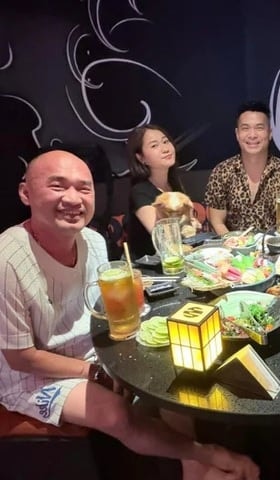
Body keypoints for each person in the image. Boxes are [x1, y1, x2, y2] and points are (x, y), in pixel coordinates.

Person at [0, 150, 259, 480]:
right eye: (57, 186)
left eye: (84, 188)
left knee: (171, 369)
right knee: (115, 413)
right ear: (26, 193)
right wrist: (96, 372)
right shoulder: (7, 260)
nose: (73, 198)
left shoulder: (94, 241)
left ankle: (192, 467)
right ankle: (208, 454)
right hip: (32, 376)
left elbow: (104, 309)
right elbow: (21, 358)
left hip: (92, 352)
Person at [205, 101, 280, 235]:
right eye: (245, 128)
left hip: (276, 245)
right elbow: (217, 221)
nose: (252, 135)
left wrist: (278, 243)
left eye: (259, 128)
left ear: (270, 133)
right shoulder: (221, 172)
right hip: (234, 245)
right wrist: (234, 243)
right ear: (237, 134)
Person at [126, 124, 188, 259]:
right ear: (141, 158)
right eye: (154, 145)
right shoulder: (140, 191)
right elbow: (163, 239)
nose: (165, 149)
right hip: (148, 265)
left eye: (166, 141)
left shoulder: (174, 183)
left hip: (177, 257)